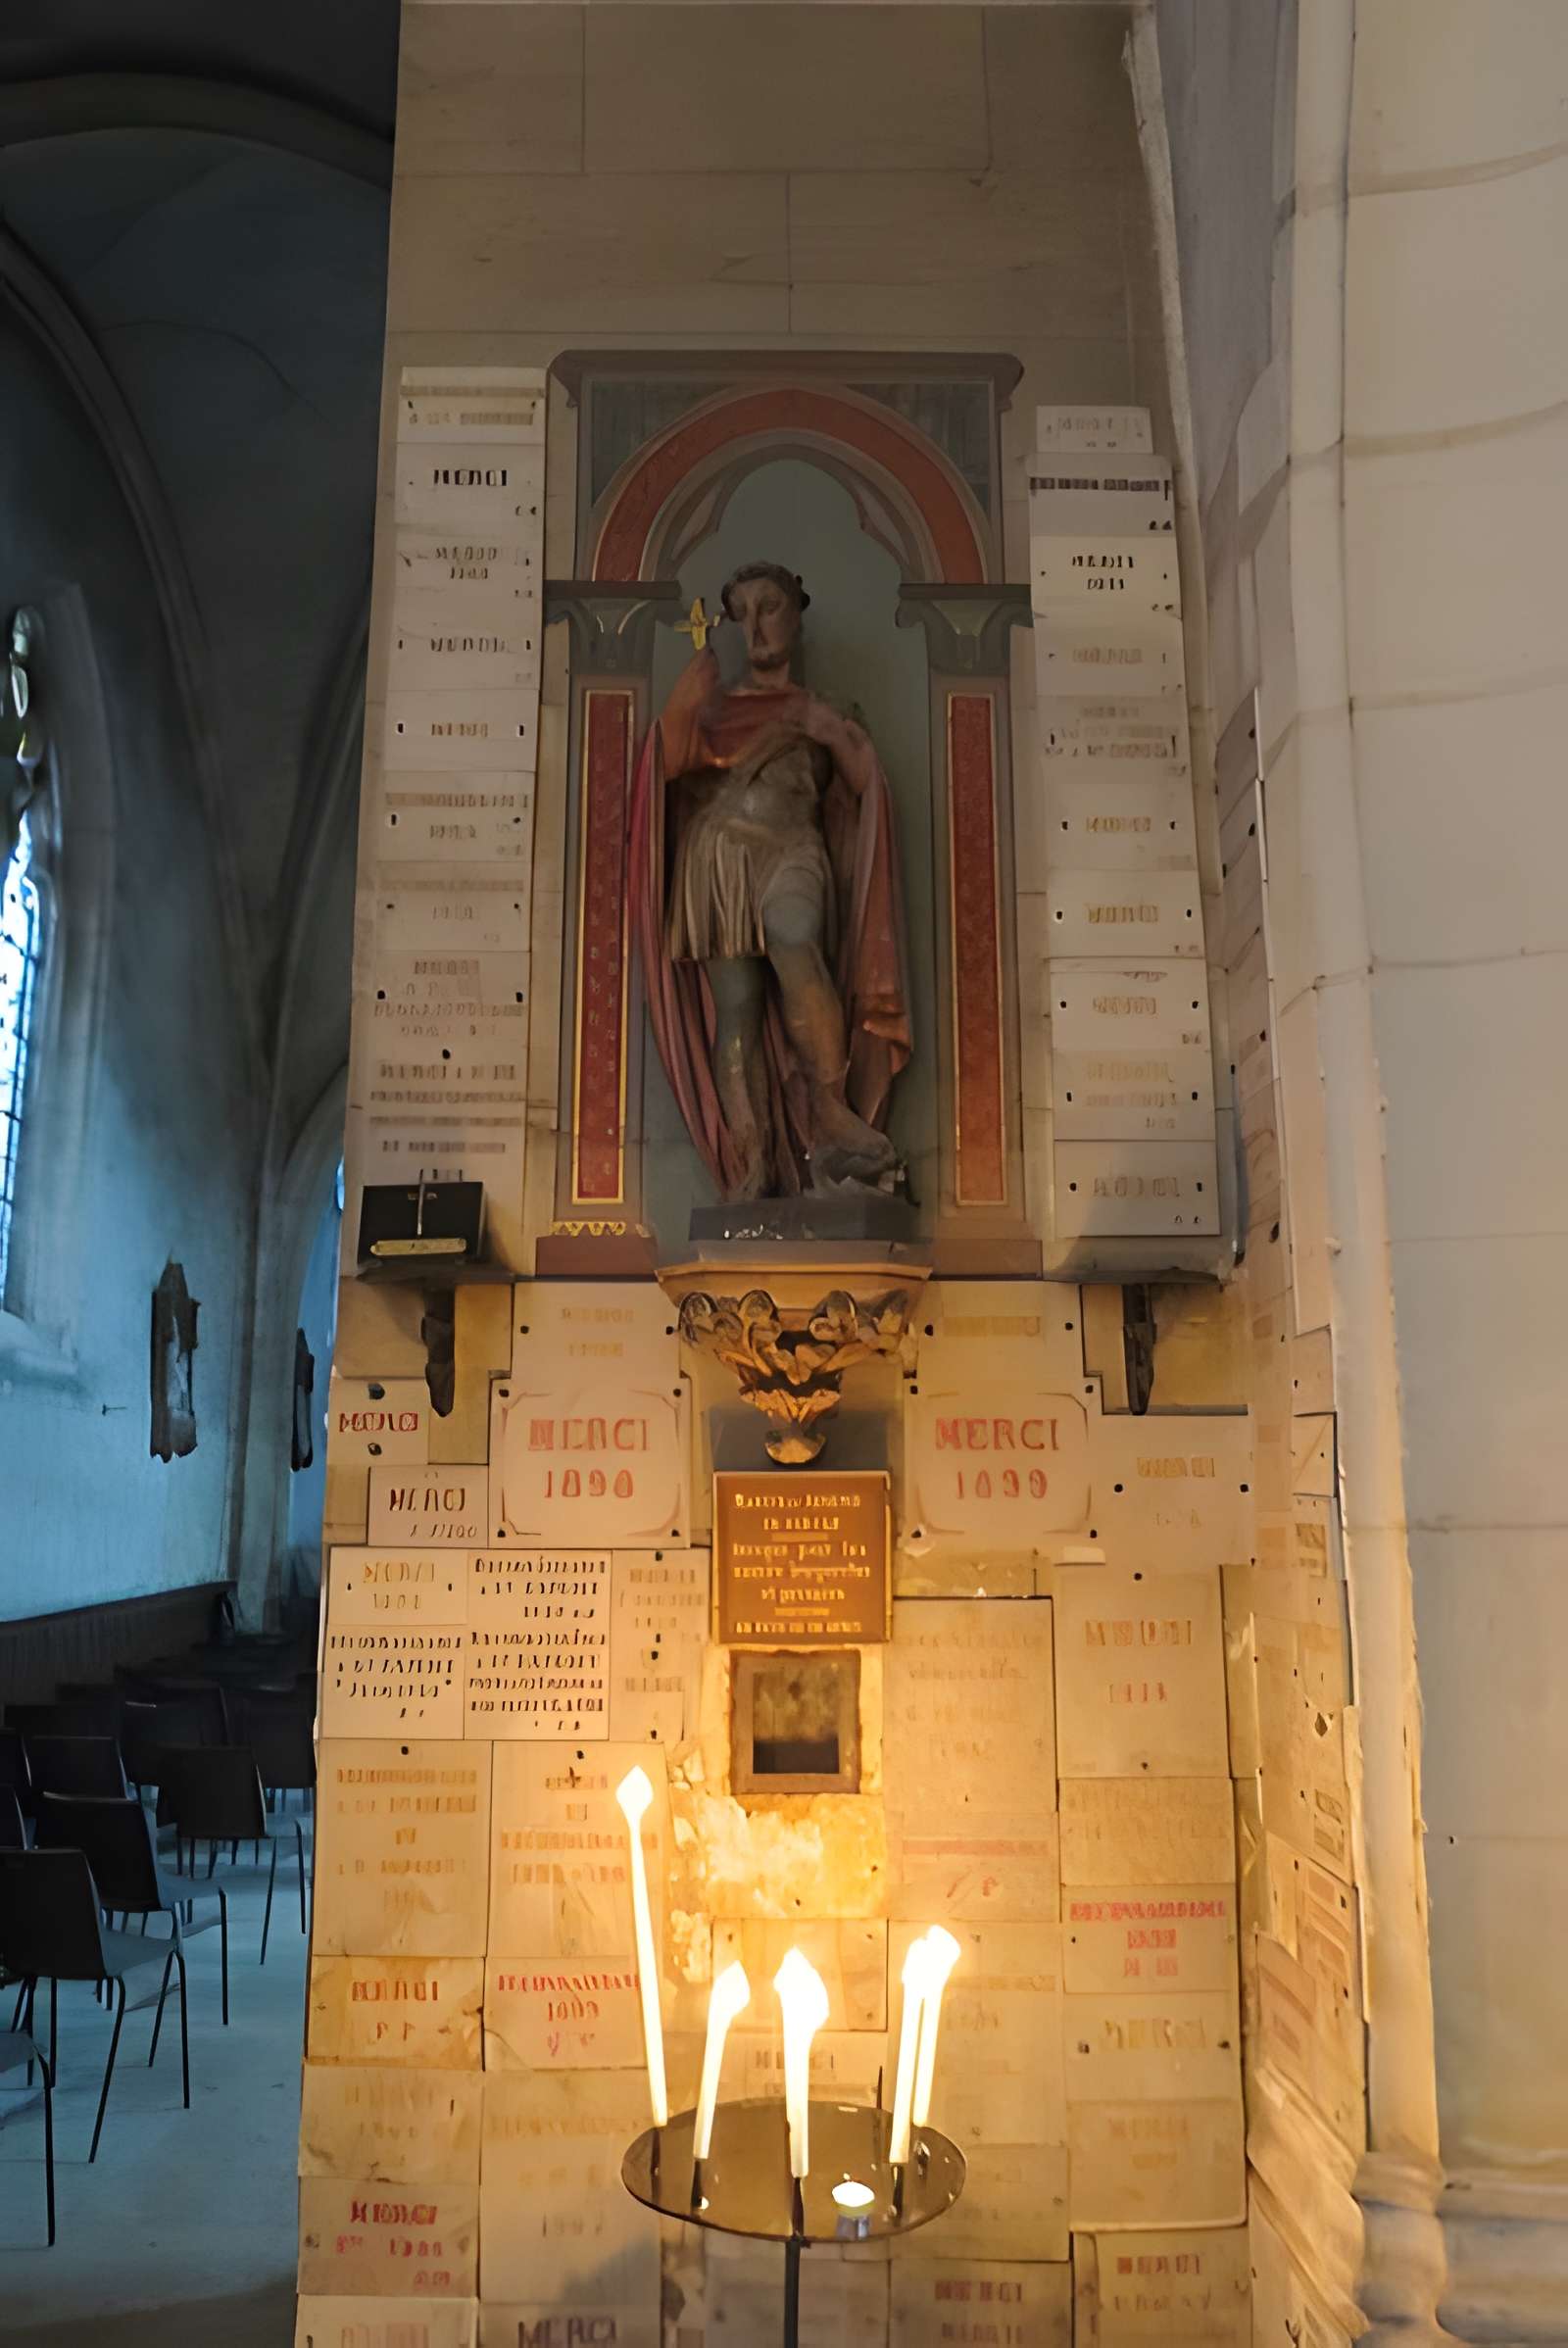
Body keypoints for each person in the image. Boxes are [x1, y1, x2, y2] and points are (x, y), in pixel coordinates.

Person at [630, 562, 911, 1200]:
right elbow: (664, 770)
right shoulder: (712, 706)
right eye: (742, 611)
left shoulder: (820, 709)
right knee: (736, 1007)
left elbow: (867, 784)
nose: (755, 624)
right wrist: (680, 707)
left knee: (794, 933)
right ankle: (752, 1156)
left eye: (771, 606)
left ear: (797, 615)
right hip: (716, 857)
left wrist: (834, 733)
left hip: (791, 848)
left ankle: (830, 1105)